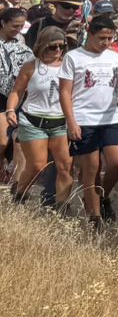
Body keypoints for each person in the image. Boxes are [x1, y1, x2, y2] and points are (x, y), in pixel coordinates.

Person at [66, 16, 118, 222]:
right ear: (90, 35)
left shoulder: (113, 57)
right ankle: (94, 217)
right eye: (102, 38)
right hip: (84, 118)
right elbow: (64, 92)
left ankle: (101, 195)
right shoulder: (74, 57)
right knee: (91, 167)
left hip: (110, 117)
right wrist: (71, 122)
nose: (106, 42)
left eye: (110, 38)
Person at [8, 27, 77, 204]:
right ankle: (20, 193)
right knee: (37, 166)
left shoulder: (68, 67)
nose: (57, 51)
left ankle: (61, 208)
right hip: (33, 120)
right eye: (52, 47)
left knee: (65, 166)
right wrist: (10, 110)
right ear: (42, 45)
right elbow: (17, 91)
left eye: (62, 47)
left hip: (60, 121)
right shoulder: (31, 66)